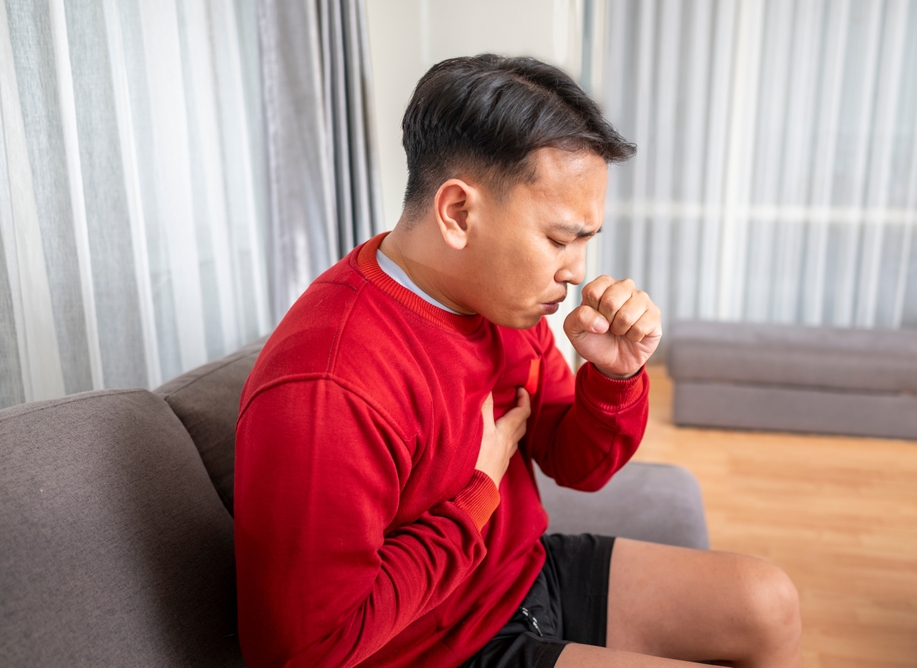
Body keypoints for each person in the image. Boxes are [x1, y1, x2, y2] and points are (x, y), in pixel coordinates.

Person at [234, 54, 802, 668]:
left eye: (587, 239)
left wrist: (614, 378)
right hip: (426, 649)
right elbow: (304, 653)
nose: (577, 271)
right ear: (458, 214)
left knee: (769, 601)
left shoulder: (501, 303)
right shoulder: (330, 386)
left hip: (515, 577)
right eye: (560, 240)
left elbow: (574, 464)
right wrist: (476, 497)